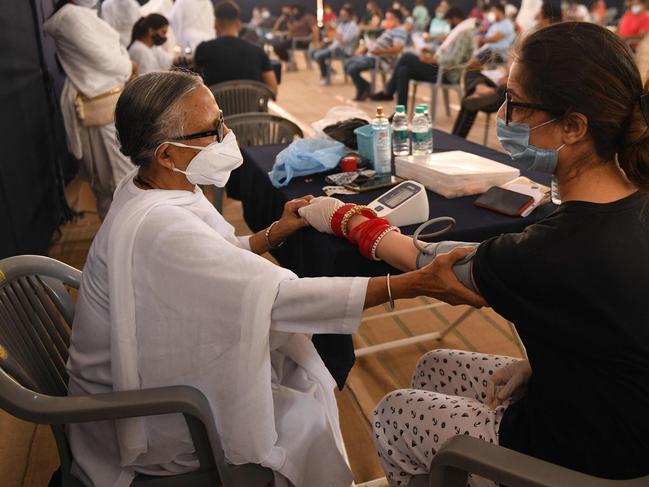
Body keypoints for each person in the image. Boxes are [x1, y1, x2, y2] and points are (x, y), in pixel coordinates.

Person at [64, 69, 478, 487]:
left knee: (298, 377)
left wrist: (274, 233)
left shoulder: (151, 188)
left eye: (221, 120)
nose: (227, 136)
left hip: (138, 376)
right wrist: (412, 284)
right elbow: (283, 299)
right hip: (153, 412)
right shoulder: (162, 227)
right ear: (167, 155)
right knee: (303, 413)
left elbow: (214, 264)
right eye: (212, 130)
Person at [301, 21, 649, 486]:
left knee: (395, 414)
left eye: (516, 103)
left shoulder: (550, 250)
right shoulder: (633, 206)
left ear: (572, 126)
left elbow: (433, 266)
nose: (502, 114)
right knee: (433, 365)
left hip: (588, 454)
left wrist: (350, 220)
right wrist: (548, 360)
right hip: (622, 410)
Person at [44, 0, 135, 219]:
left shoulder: (81, 15)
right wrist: (126, 65)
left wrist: (124, 62)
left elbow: (118, 48)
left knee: (119, 179)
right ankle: (117, 244)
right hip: (98, 107)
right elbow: (109, 60)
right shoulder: (71, 17)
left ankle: (124, 239)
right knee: (114, 182)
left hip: (108, 103)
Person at [452, 1, 562, 138]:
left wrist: (509, 80)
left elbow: (532, 77)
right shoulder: (555, 42)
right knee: (472, 72)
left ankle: (457, 136)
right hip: (511, 86)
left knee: (471, 97)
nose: (536, 21)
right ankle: (480, 88)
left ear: (547, 20)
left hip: (518, 94)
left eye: (538, 17)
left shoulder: (545, 44)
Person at [370, 7, 476, 107]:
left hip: (445, 73)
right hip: (439, 69)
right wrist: (431, 51)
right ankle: (401, 113)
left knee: (406, 56)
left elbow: (453, 59)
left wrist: (432, 60)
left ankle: (388, 91)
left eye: (449, 21)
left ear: (455, 19)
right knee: (403, 70)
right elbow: (449, 53)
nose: (448, 24)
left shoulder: (464, 33)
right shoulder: (461, 31)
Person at [194, 0, 278, 95]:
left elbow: (195, 84)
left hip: (217, 109)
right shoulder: (258, 52)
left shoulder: (203, 49)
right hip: (251, 109)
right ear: (239, 25)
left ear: (215, 24)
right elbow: (273, 90)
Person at [344, 8, 408, 101]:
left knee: (351, 68)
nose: (386, 21)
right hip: (372, 56)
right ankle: (364, 86)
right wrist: (367, 48)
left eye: (389, 19)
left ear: (396, 20)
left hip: (380, 60)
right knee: (348, 64)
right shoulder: (390, 30)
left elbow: (397, 49)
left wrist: (380, 51)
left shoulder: (399, 31)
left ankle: (364, 87)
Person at [310, 5, 360, 84]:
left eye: (344, 15)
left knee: (319, 55)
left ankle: (325, 76)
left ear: (349, 16)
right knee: (313, 53)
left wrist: (335, 29)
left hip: (344, 51)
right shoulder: (341, 25)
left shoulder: (353, 27)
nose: (341, 17)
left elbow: (343, 41)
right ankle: (330, 71)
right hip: (334, 48)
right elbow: (335, 38)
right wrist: (325, 42)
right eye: (341, 15)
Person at [272, 5, 317, 70]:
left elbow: (315, 29)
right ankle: (291, 62)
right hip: (292, 40)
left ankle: (291, 63)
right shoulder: (294, 19)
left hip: (301, 41)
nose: (294, 12)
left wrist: (315, 41)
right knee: (277, 45)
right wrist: (280, 21)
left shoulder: (308, 17)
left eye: (295, 11)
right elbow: (290, 32)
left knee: (278, 47)